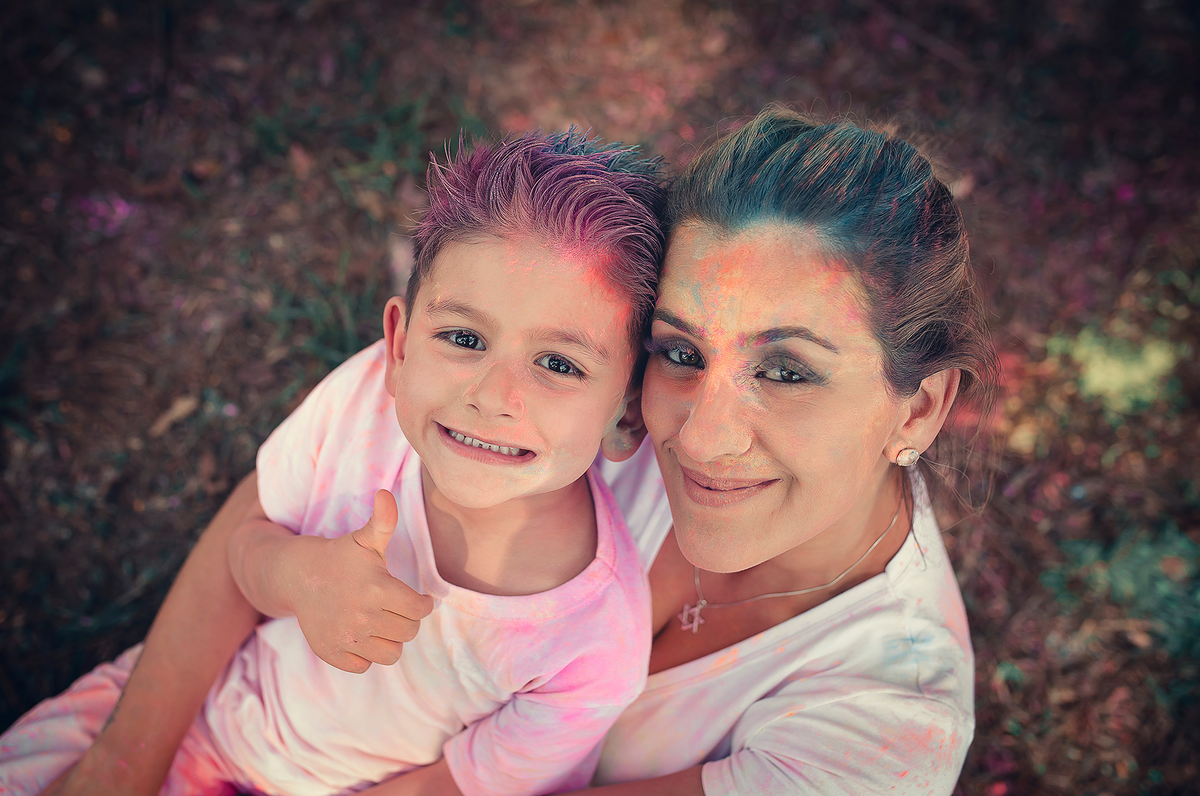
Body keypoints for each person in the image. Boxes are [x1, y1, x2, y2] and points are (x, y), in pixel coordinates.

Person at [20, 104, 999, 795]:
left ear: (918, 410)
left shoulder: (885, 730)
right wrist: (122, 764)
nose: (698, 431)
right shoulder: (530, 398)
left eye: (787, 370)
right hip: (222, 703)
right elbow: (277, 511)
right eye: (679, 350)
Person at [0, 130, 668, 796]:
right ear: (399, 346)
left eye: (559, 364)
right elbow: (244, 548)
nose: (493, 396)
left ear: (627, 414)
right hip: (198, 708)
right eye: (464, 337)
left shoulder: (594, 647)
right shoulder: (367, 407)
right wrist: (298, 576)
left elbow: (447, 787)